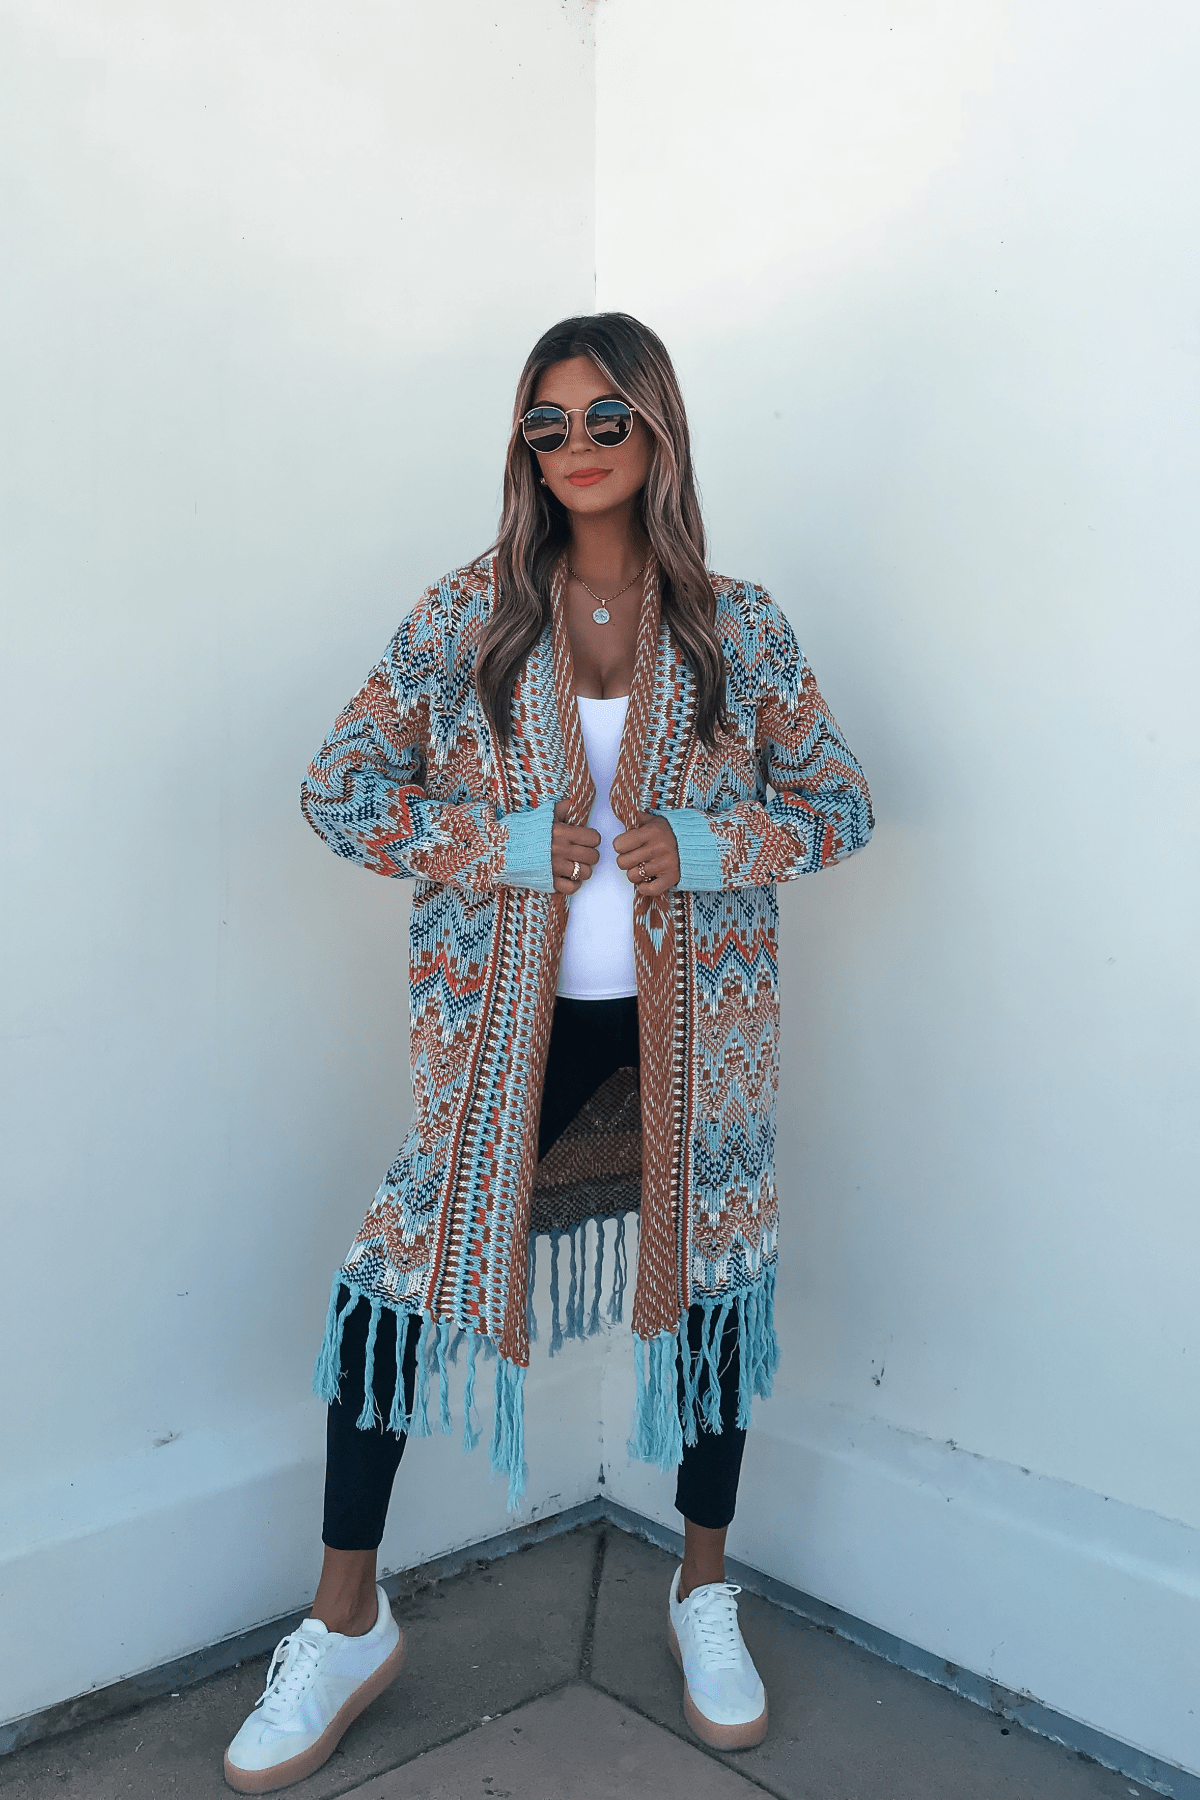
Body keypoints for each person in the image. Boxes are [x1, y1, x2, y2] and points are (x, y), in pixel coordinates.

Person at [224, 312, 873, 1791]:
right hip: (505, 1043)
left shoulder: (737, 625)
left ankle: (702, 1587)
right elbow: (338, 791)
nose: (576, 448)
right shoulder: (469, 617)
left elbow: (841, 803)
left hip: (702, 1041)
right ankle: (344, 1622)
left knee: (714, 1299)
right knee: (389, 1289)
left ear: (659, 431)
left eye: (605, 418)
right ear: (524, 446)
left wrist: (712, 844)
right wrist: (502, 844)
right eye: (548, 423)